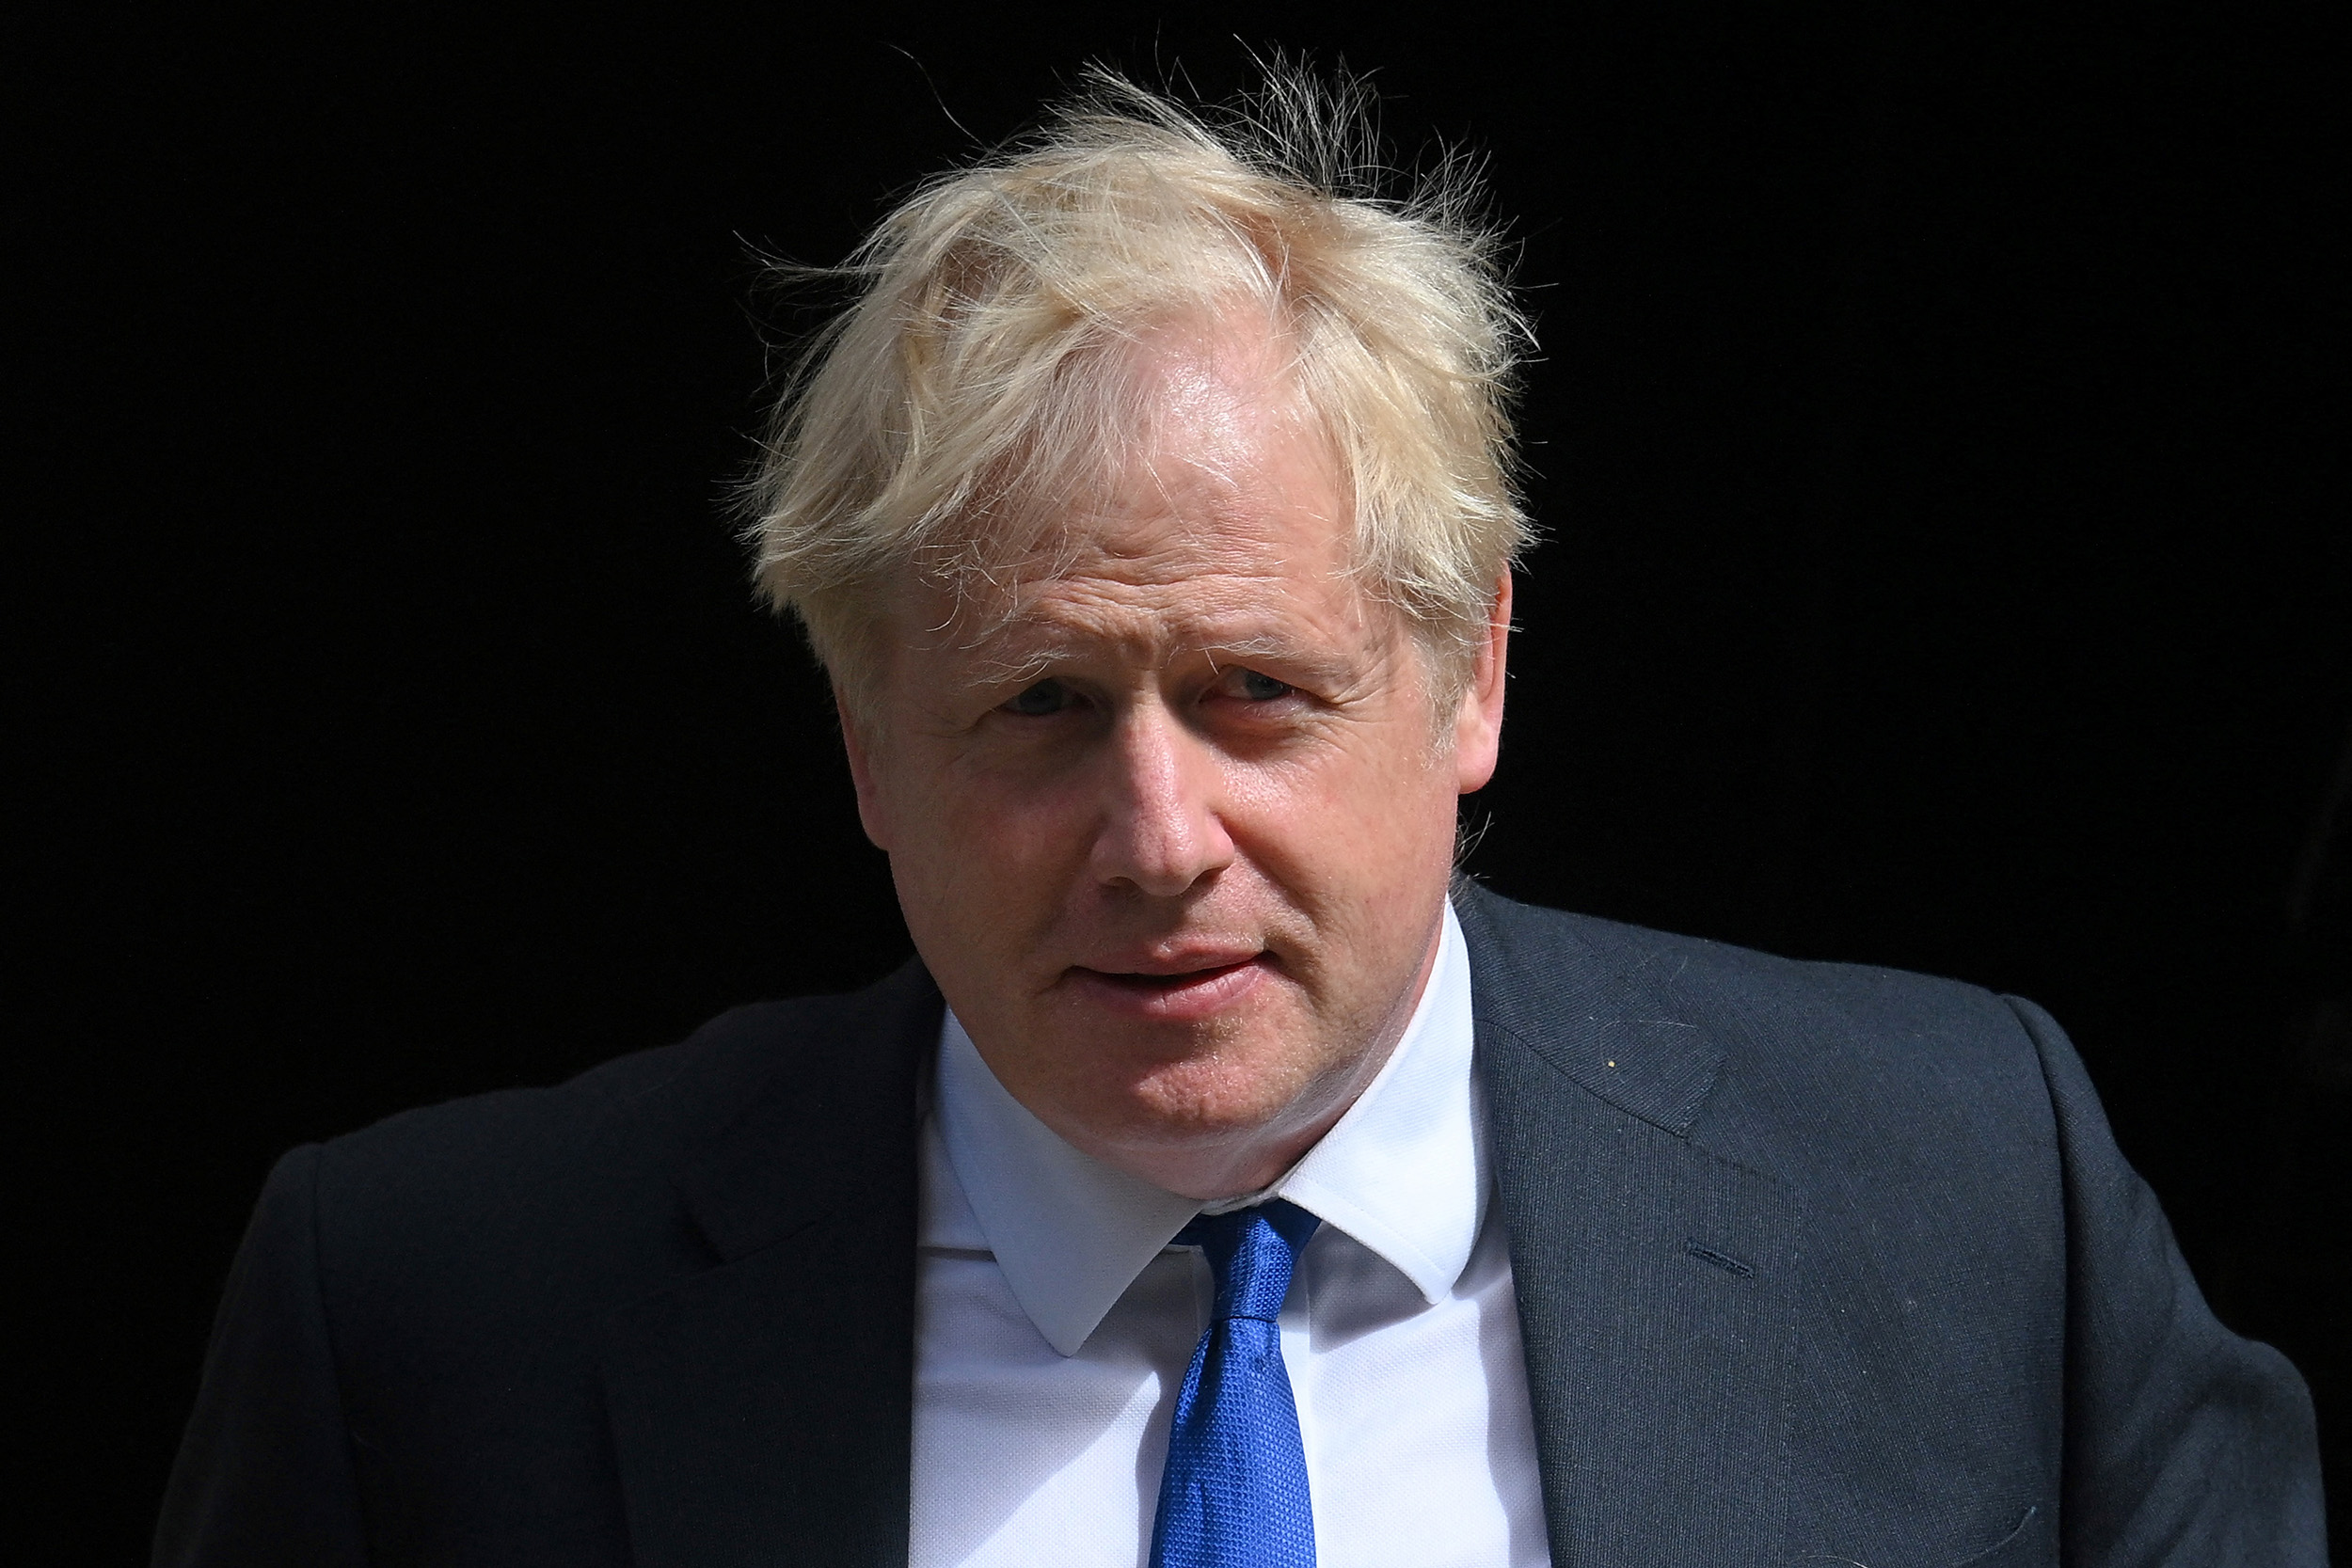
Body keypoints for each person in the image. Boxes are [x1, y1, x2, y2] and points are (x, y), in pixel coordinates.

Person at [155, 71, 2324, 1568]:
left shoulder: (1958, 1187)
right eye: (1036, 707)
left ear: (1470, 669)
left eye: (1253, 692)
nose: (1155, 831)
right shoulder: (441, 1317)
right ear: (864, 751)